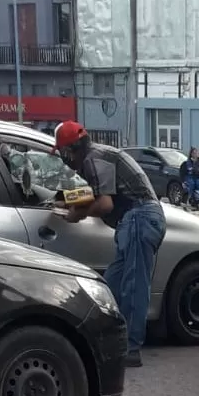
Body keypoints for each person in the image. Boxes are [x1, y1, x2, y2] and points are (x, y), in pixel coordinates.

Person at [52, 120, 166, 368]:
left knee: (133, 285)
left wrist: (77, 215)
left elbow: (105, 204)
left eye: (62, 152)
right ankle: (106, 341)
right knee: (111, 286)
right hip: (134, 221)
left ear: (71, 149)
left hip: (140, 217)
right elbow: (90, 194)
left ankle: (131, 349)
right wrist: (62, 200)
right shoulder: (92, 161)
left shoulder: (95, 158)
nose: (63, 159)